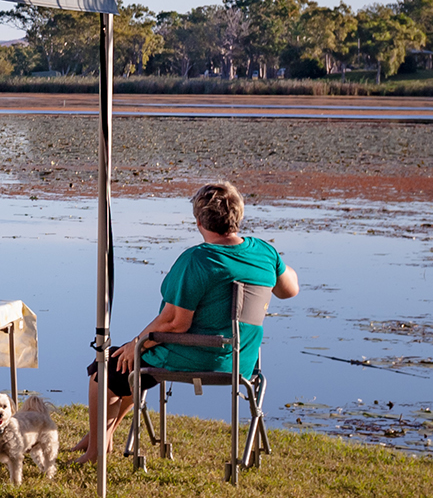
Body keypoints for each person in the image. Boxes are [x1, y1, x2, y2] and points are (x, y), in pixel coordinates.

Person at [72, 182, 300, 463]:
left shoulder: (199, 260)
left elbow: (175, 323)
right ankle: (100, 435)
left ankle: (96, 452)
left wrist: (136, 344)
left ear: (199, 221)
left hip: (190, 356)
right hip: (239, 362)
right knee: (131, 364)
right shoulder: (265, 252)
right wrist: (275, 262)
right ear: (239, 217)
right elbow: (290, 290)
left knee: (106, 368)